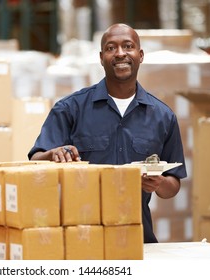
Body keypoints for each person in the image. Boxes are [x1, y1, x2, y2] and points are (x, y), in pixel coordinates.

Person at [28, 23, 187, 243]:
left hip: (137, 238)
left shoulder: (163, 117)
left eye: (128, 46)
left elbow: (173, 184)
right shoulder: (70, 109)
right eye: (112, 48)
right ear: (102, 57)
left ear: (140, 55)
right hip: (81, 238)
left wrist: (159, 183)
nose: (120, 53)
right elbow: (35, 162)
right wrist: (52, 154)